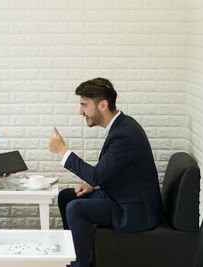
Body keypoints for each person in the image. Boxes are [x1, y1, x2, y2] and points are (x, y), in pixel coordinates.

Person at [48, 77, 163, 267]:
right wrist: (93, 185)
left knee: (75, 208)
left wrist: (63, 151)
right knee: (66, 196)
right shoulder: (121, 126)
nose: (80, 112)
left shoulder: (124, 134)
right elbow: (108, 172)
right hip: (121, 195)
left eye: (84, 105)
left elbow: (96, 175)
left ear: (102, 105)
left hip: (134, 209)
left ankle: (80, 265)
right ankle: (75, 256)